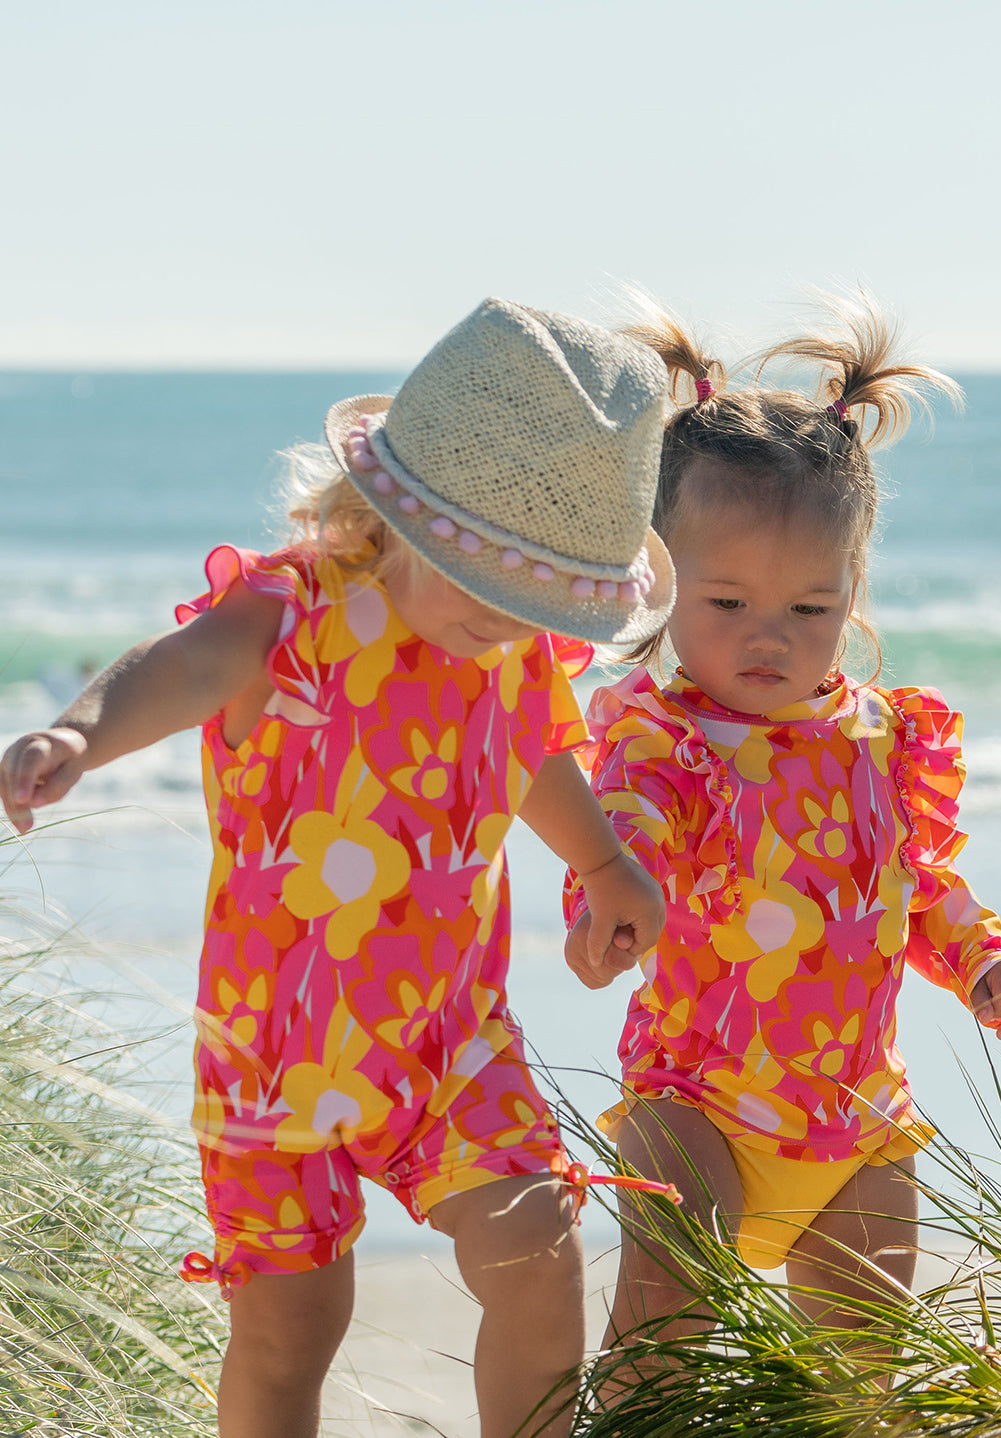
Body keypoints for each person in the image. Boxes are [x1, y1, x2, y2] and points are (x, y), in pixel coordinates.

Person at [0, 297, 675, 1438]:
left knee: (536, 1246)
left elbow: (533, 751)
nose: (504, 620)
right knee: (291, 1330)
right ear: (397, 513)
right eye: (484, 580)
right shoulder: (292, 610)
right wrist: (79, 733)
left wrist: (605, 861)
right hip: (274, 1049)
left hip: (450, 1037)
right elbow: (181, 666)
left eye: (535, 601)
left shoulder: (509, 652)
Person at [564, 296, 1001, 1364]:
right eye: (728, 605)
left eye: (810, 609)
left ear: (851, 591)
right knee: (663, 1332)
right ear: (658, 581)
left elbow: (917, 880)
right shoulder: (664, 738)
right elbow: (621, 831)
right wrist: (607, 903)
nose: (769, 639)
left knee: (863, 1368)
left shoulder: (884, 739)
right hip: (697, 1100)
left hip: (859, 1120)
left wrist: (990, 960)